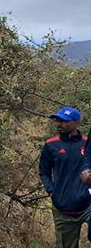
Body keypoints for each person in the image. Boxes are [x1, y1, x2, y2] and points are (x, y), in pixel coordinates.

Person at [42, 106, 91, 248]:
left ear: (76, 123)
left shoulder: (87, 144)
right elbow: (44, 172)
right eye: (57, 120)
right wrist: (52, 191)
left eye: (64, 121)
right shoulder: (51, 145)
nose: (59, 124)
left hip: (87, 203)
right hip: (63, 207)